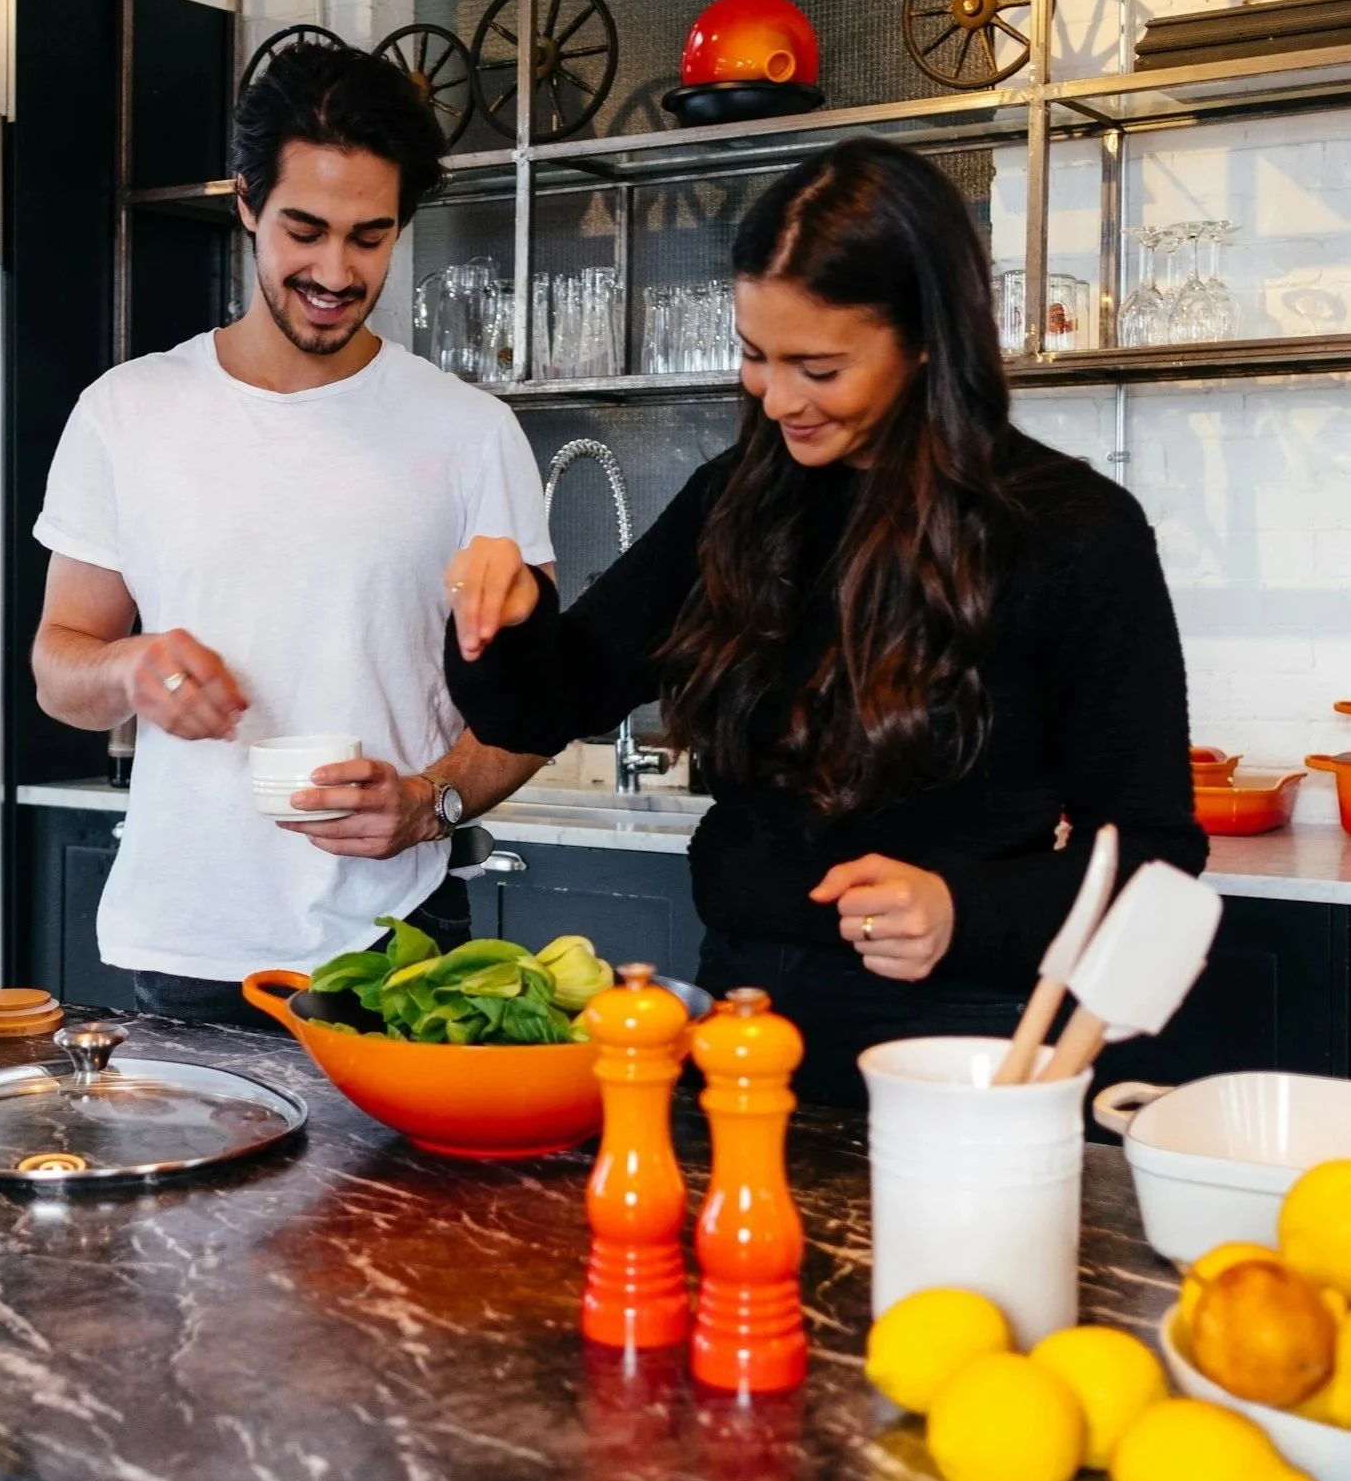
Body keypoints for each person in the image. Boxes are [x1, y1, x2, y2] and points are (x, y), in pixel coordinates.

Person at [443, 138, 1207, 1107]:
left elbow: (1153, 855)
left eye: (818, 365)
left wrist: (960, 908)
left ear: (926, 337)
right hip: (741, 1025)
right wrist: (503, 620)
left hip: (958, 1041)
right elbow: (551, 700)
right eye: (755, 356)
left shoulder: (1072, 534)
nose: (777, 397)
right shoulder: (733, 502)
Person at [31, 42, 552, 1024]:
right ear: (245, 202)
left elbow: (541, 695)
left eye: (369, 237)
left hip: (393, 945)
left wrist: (431, 800)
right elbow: (59, 667)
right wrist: (130, 670)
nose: (334, 270)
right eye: (303, 230)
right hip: (182, 943)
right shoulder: (128, 411)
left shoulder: (470, 431)